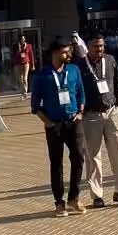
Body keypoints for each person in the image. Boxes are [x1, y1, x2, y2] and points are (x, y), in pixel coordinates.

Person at [30, 38, 86, 217]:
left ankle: (74, 198)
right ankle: (59, 202)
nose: (68, 54)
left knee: (78, 156)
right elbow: (35, 104)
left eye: (69, 51)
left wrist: (80, 113)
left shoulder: (74, 70)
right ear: (54, 53)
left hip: (73, 121)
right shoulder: (43, 75)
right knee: (57, 163)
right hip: (54, 124)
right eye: (64, 52)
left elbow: (80, 93)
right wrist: (47, 121)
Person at [76, 36, 118, 208]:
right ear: (88, 47)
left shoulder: (110, 60)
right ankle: (97, 195)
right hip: (90, 116)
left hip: (112, 112)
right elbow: (76, 89)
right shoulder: (80, 65)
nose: (99, 49)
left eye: (101, 46)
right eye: (95, 46)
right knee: (93, 156)